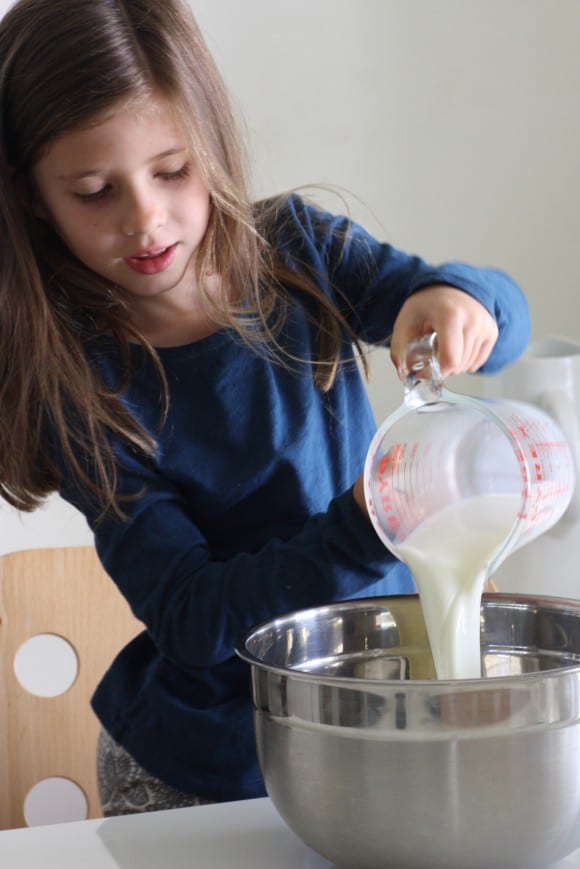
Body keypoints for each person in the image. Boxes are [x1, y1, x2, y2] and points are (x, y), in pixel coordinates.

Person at [0, 0, 530, 816]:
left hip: (374, 719)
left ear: (209, 141)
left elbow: (501, 320)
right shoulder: (79, 394)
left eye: (171, 170)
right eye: (95, 191)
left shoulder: (298, 253)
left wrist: (463, 303)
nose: (145, 217)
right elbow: (192, 616)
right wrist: (368, 526)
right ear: (35, 199)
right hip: (211, 768)